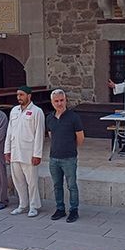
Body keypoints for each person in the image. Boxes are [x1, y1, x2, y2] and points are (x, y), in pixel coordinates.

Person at [5, 86, 45, 217]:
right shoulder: (14, 111)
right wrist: (7, 150)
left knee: (32, 182)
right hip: (15, 152)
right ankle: (22, 204)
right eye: (17, 95)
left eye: (21, 95)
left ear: (29, 96)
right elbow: (9, 132)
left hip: (29, 153)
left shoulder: (36, 111)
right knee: (18, 180)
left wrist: (37, 154)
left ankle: (34, 206)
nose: (19, 98)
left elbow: (39, 134)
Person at [47, 89, 85, 223]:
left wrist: (70, 148)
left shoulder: (73, 117)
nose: (59, 103)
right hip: (54, 158)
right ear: (52, 102)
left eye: (61, 100)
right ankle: (60, 209)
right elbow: (51, 135)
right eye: (56, 101)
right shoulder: (50, 118)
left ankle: (73, 210)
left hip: (69, 158)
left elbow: (80, 138)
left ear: (65, 100)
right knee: (57, 185)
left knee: (71, 185)